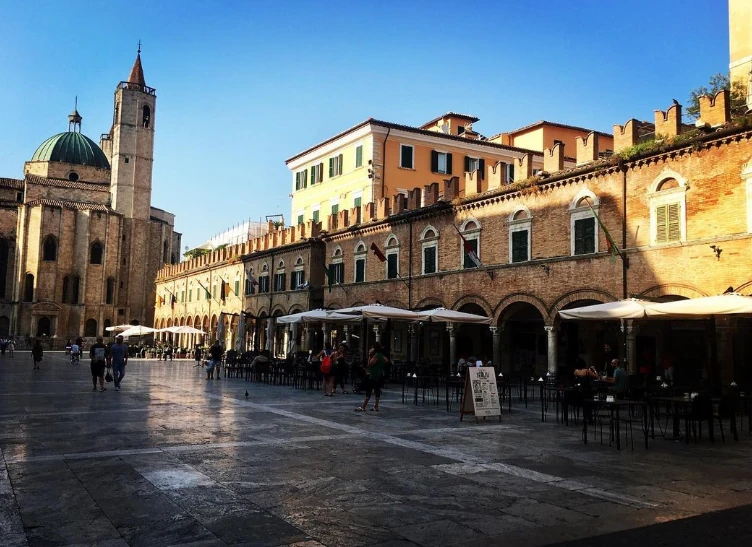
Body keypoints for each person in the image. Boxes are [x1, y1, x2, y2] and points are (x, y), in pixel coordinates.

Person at [356, 342, 387, 412]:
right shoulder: (381, 355)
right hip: (379, 374)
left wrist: (370, 356)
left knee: (369, 391)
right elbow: (386, 360)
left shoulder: (376, 356)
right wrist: (380, 366)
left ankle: (363, 407)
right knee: (377, 390)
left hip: (373, 375)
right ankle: (376, 406)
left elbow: (369, 364)